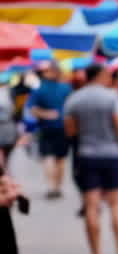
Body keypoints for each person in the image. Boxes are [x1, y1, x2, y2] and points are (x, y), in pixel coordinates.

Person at [64, 65, 118, 254]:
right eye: (108, 75)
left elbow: (70, 130)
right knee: (117, 203)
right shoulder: (111, 98)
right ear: (100, 76)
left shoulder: (75, 99)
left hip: (87, 155)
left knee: (91, 206)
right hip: (111, 155)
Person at [28, 65, 72, 199]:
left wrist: (46, 114)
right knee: (60, 159)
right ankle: (57, 186)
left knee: (48, 157)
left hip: (46, 127)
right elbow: (72, 108)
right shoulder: (66, 88)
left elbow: (32, 109)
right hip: (62, 127)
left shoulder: (39, 89)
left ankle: (52, 186)